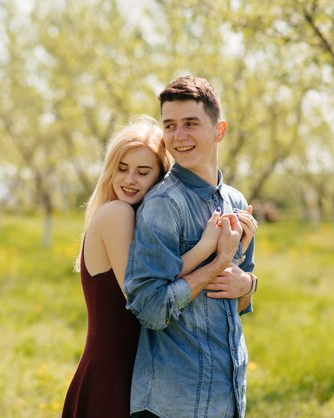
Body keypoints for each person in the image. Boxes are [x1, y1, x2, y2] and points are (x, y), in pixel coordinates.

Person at [61, 116, 256, 418]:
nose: (129, 180)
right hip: (112, 370)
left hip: (141, 369)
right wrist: (208, 248)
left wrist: (244, 274)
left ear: (160, 176)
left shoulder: (142, 218)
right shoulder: (117, 213)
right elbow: (148, 289)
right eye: (122, 169)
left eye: (143, 172)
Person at [124, 76, 258, 418]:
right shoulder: (163, 205)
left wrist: (248, 285)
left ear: (219, 130)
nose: (179, 136)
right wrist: (216, 263)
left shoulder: (236, 201)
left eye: (191, 124)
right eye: (170, 125)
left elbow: (237, 299)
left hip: (228, 399)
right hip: (174, 404)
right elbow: (149, 308)